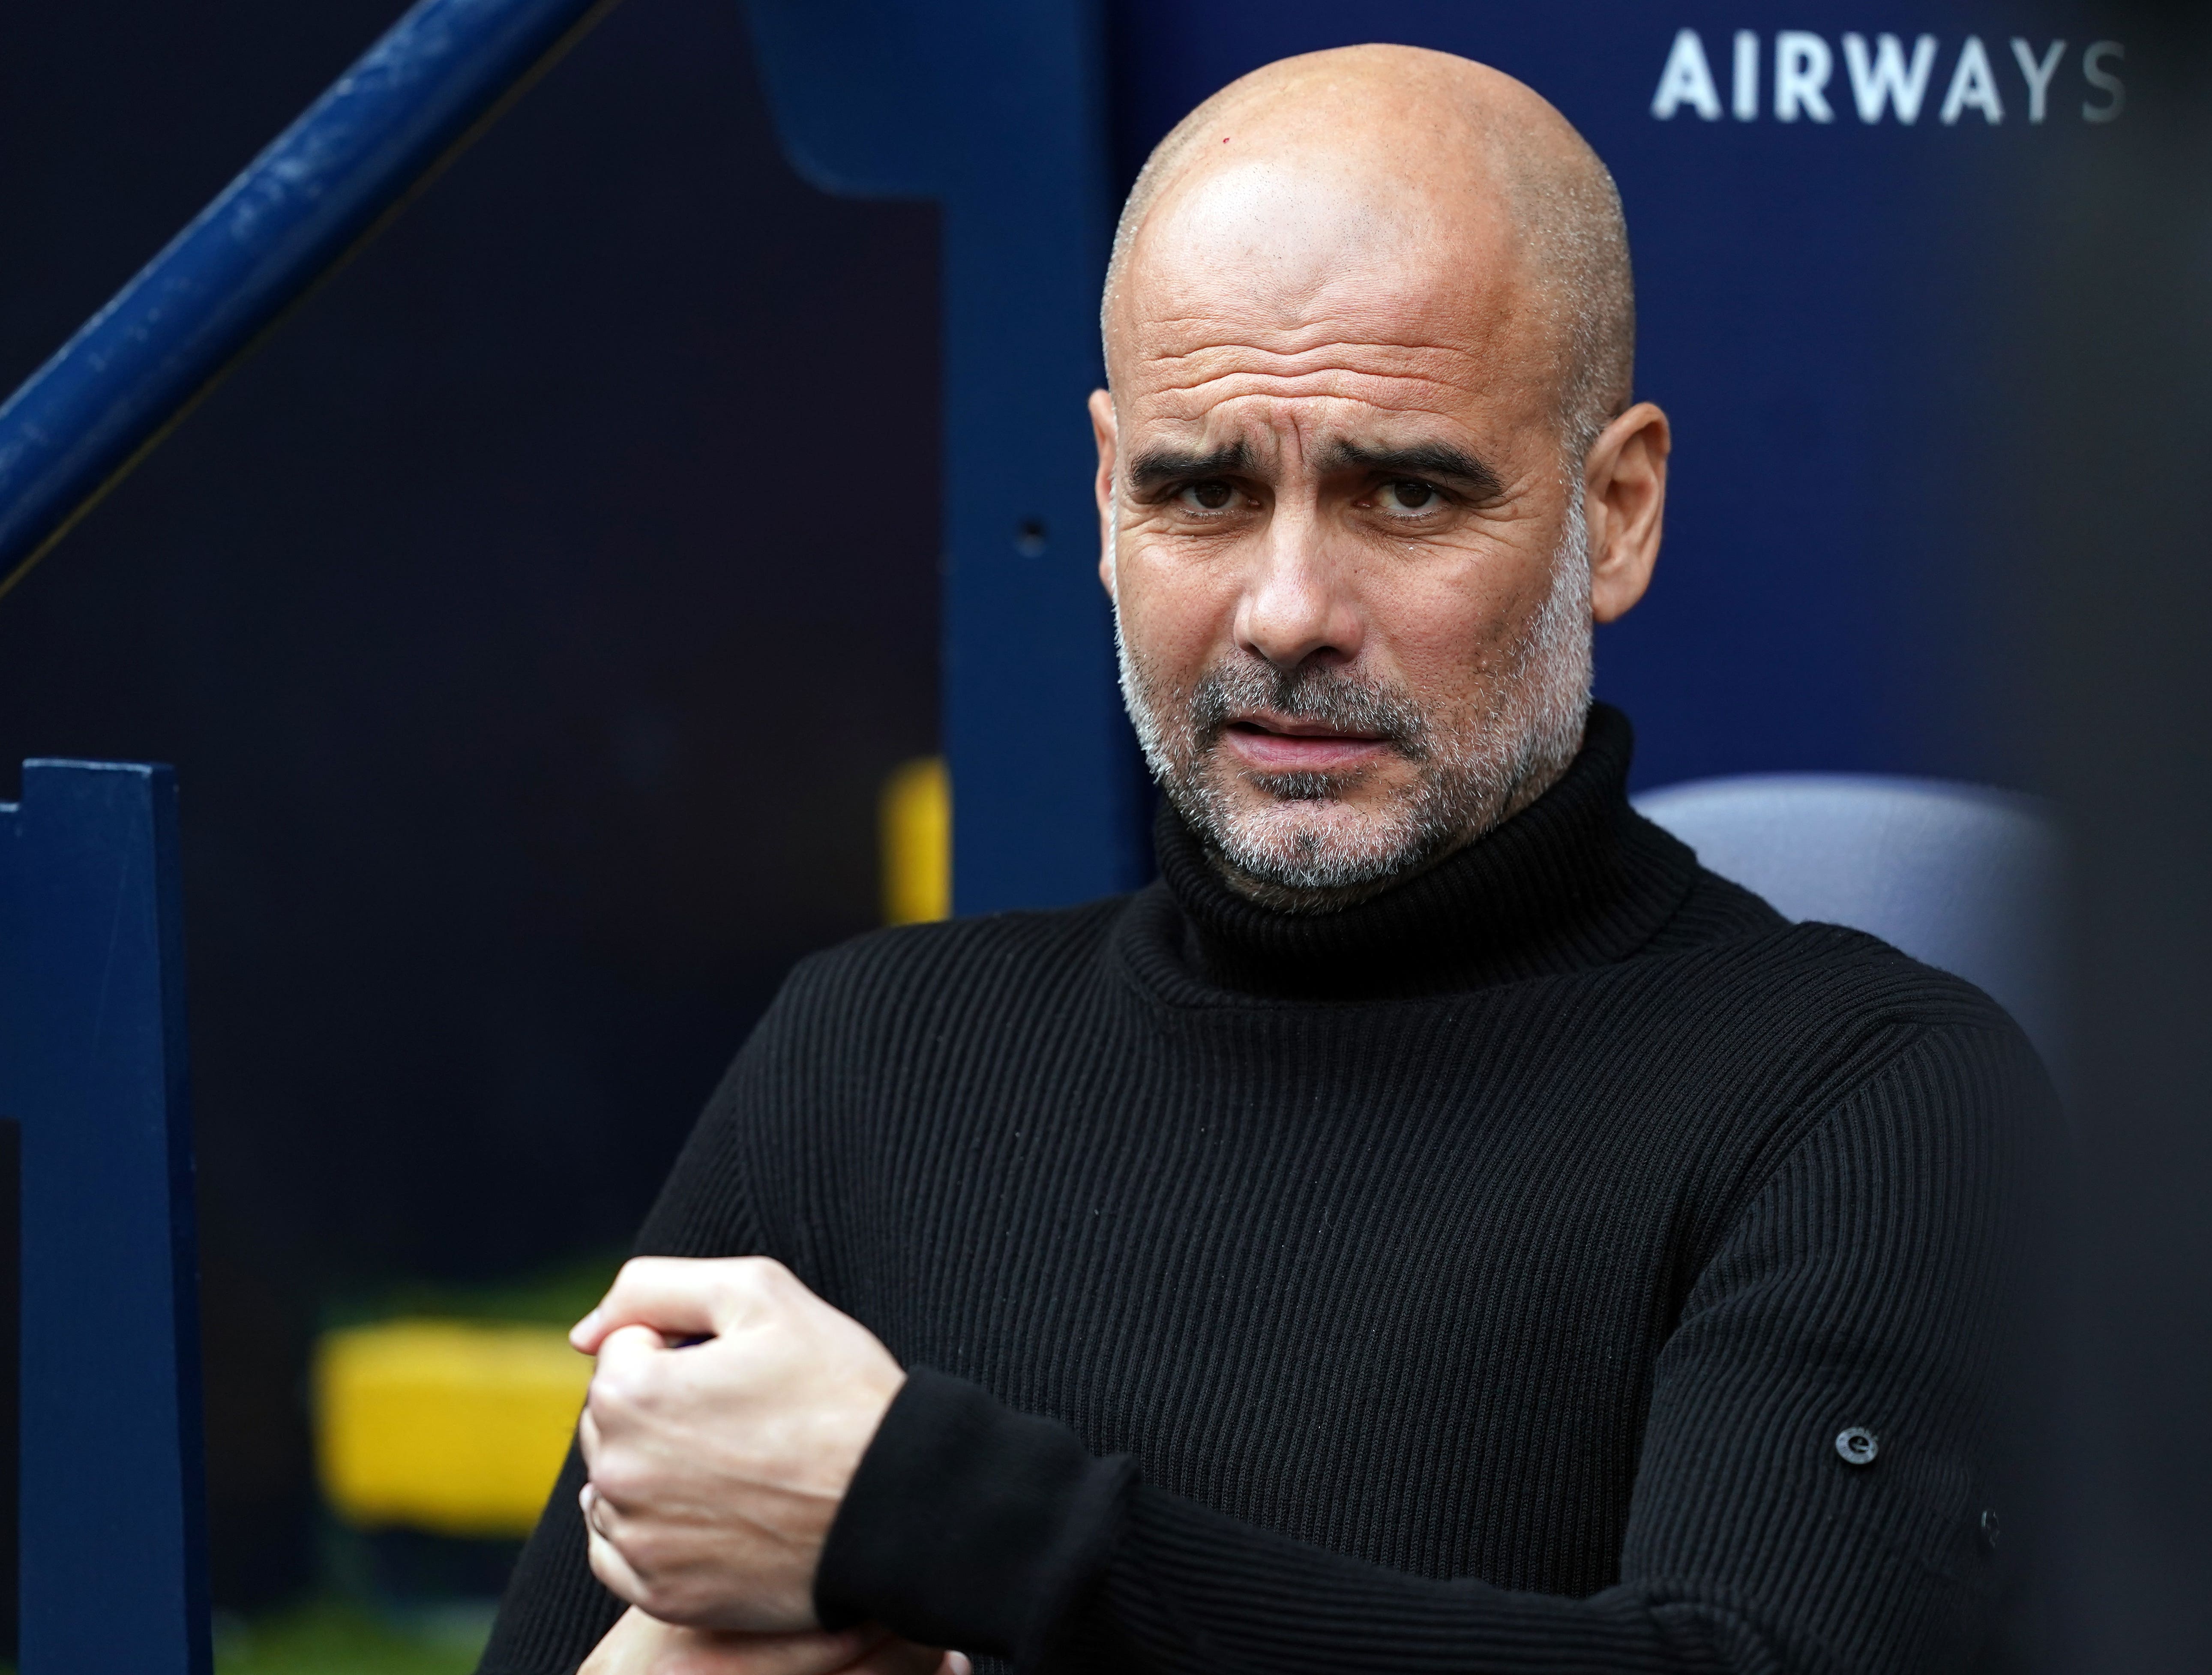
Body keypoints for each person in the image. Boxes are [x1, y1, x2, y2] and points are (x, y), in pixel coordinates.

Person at [479, 43, 2054, 1675]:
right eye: (1206, 491)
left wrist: (938, 1520)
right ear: (1104, 503)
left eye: (1406, 492)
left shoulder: (1867, 1103)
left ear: (1620, 510)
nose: (1289, 611)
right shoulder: (866, 1059)